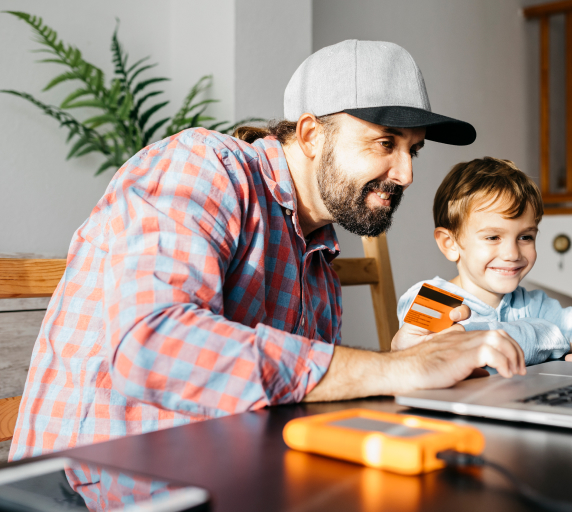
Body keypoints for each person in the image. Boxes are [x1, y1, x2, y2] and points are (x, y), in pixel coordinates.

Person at [9, 40, 527, 461]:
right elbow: (150, 344)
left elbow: (291, 402)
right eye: (384, 142)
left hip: (223, 477)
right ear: (310, 135)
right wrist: (391, 372)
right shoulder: (201, 166)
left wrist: (408, 363)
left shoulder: (318, 254)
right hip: (89, 488)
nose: (407, 174)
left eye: (412, 150)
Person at [394, 157, 572, 366]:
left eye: (525, 237)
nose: (512, 253)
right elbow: (457, 354)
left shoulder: (533, 304)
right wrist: (551, 334)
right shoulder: (429, 299)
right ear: (450, 244)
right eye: (493, 237)